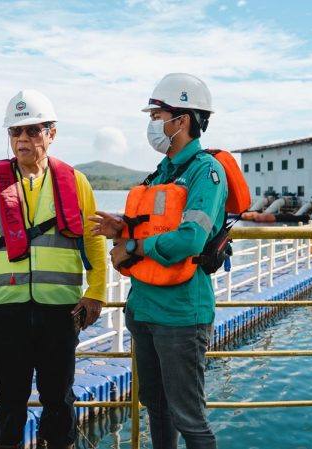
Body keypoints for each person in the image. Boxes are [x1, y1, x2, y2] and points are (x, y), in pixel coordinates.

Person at [0, 90, 107, 449]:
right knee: (8, 402)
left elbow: (95, 243)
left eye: (32, 131)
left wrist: (96, 293)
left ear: (51, 134)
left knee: (59, 401)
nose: (22, 140)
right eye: (15, 133)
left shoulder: (76, 182)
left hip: (61, 310)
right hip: (7, 310)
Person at [90, 73, 225, 449]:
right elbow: (153, 226)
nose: (152, 124)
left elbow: (191, 238)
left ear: (181, 120)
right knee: (156, 407)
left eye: (157, 115)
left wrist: (133, 248)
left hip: (182, 314)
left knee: (189, 418)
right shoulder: (161, 173)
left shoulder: (205, 172)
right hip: (144, 308)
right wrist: (123, 229)